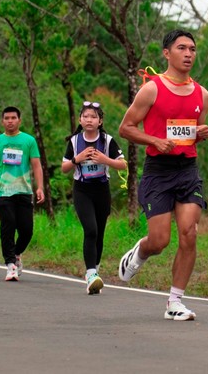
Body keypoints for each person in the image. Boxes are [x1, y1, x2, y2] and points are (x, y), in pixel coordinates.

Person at [118, 29, 208, 321]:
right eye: (182, 48)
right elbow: (126, 128)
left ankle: (175, 301)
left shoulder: (202, 94)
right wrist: (155, 141)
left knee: (189, 233)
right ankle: (141, 252)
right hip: (158, 170)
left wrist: (200, 133)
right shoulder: (152, 89)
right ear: (166, 53)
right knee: (159, 240)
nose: (188, 54)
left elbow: (191, 135)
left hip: (187, 170)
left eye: (192, 49)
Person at [61, 101, 127, 295]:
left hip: (102, 190)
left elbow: (123, 164)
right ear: (80, 120)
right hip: (82, 191)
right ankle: (90, 274)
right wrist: (77, 158)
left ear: (100, 121)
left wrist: (105, 160)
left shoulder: (107, 141)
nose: (89, 120)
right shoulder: (74, 142)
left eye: (93, 117)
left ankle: (95, 271)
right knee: (90, 230)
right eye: (86, 116)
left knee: (99, 233)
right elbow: (64, 168)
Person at [0, 106, 45, 281]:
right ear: (2, 121)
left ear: (19, 120)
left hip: (24, 190)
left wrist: (40, 187)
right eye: (7, 118)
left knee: (27, 230)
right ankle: (10, 265)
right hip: (3, 191)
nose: (10, 121)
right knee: (7, 227)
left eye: (13, 118)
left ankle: (16, 254)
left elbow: (36, 165)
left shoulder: (29, 141)